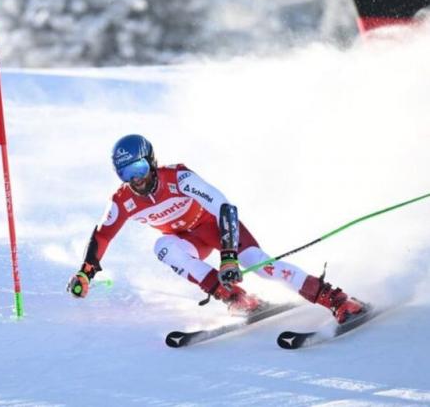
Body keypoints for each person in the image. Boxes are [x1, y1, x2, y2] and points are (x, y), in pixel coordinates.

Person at [67, 134, 366, 324]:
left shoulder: (179, 178)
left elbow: (224, 209)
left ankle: (336, 299)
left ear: (152, 162)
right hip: (187, 240)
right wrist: (86, 272)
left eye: (140, 170)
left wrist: (228, 258)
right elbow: (102, 235)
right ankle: (234, 297)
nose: (136, 181)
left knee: (261, 267)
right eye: (127, 174)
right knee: (163, 247)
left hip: (219, 231)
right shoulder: (124, 200)